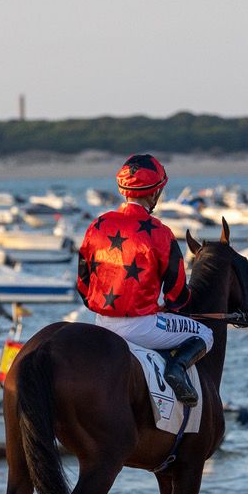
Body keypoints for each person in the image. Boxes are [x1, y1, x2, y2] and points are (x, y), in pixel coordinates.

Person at [76, 154, 212, 406]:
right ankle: (176, 371)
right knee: (205, 334)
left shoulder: (96, 225)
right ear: (154, 193)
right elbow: (177, 296)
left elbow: (83, 283)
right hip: (142, 326)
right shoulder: (161, 232)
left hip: (100, 323)